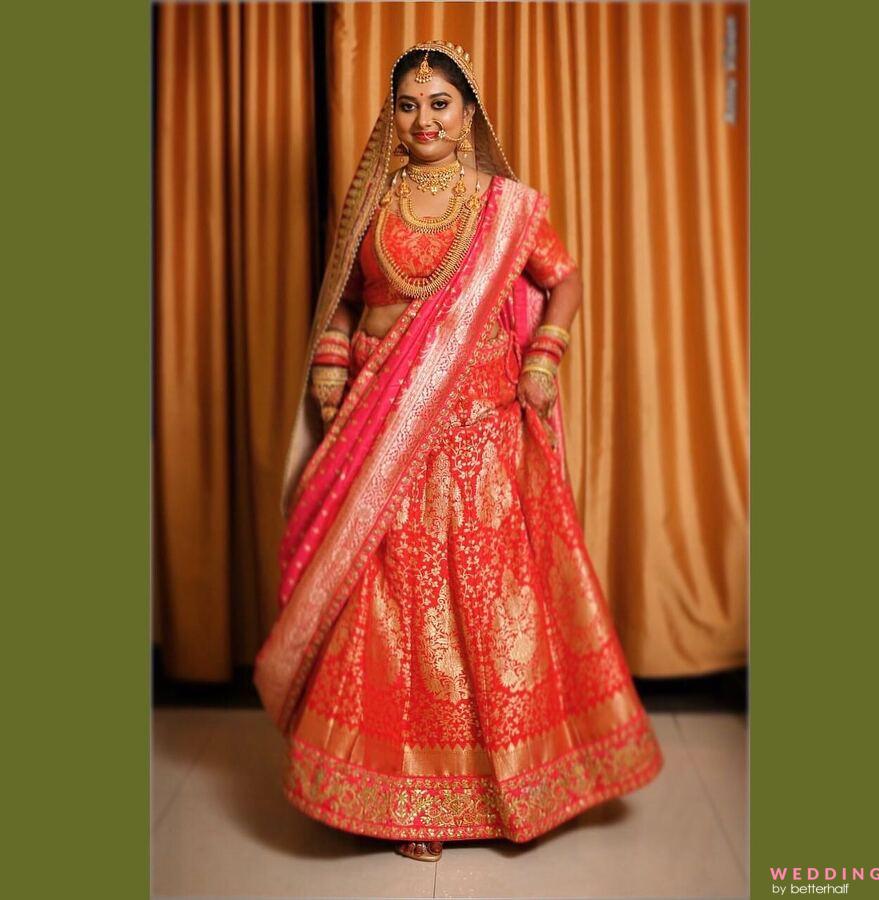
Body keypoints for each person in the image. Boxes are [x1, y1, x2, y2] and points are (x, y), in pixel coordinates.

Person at [254, 40, 663, 863]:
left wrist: (545, 352)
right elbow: (346, 306)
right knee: (396, 608)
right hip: (382, 423)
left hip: (478, 432)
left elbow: (566, 280)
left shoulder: (504, 205)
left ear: (467, 113)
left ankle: (496, 787)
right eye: (408, 103)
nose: (424, 118)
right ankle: (410, 799)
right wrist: (332, 367)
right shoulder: (370, 201)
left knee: (478, 604)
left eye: (440, 102)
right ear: (392, 117)